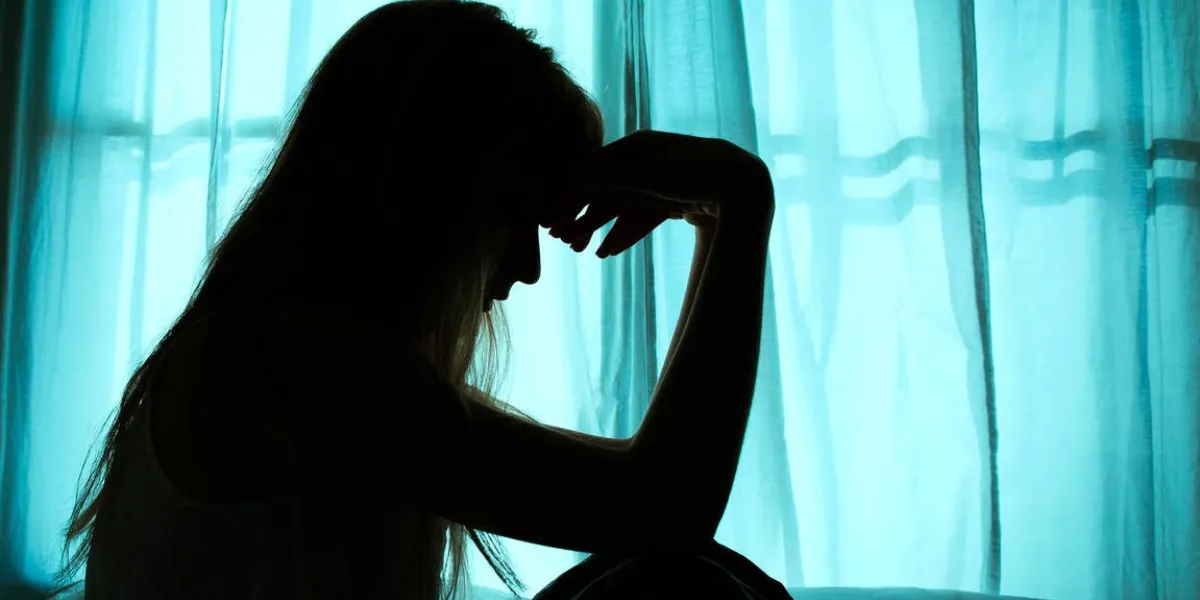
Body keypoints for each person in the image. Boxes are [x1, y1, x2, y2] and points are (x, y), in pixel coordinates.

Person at [57, 1, 783, 598]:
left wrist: (716, 220)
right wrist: (739, 203)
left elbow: (650, 500)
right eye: (513, 215)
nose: (526, 270)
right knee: (690, 588)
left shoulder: (274, 356)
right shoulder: (300, 367)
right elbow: (663, 507)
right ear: (430, 197)